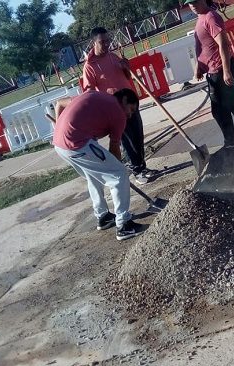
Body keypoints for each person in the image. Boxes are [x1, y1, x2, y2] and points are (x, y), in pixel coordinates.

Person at [53, 89, 145, 241]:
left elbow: (60, 104)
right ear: (123, 100)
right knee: (119, 174)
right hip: (77, 144)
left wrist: (58, 127)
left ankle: (103, 216)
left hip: (60, 145)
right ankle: (124, 225)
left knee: (93, 176)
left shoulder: (95, 96)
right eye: (131, 109)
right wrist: (115, 167)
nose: (129, 115)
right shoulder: (118, 113)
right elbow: (114, 148)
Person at [82, 27, 154, 185]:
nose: (107, 44)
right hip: (114, 109)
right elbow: (89, 92)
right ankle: (137, 171)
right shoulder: (90, 66)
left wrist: (126, 68)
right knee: (127, 140)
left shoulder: (113, 57)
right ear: (93, 43)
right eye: (102, 42)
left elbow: (128, 77)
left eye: (108, 41)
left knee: (138, 135)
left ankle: (142, 166)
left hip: (130, 103)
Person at [184, 0, 234, 147]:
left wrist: (227, 70)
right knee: (220, 110)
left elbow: (223, 44)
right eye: (190, 4)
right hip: (212, 69)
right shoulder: (201, 18)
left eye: (195, 2)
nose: (192, 6)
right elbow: (203, 45)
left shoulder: (211, 17)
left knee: (231, 105)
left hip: (221, 69)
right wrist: (199, 66)